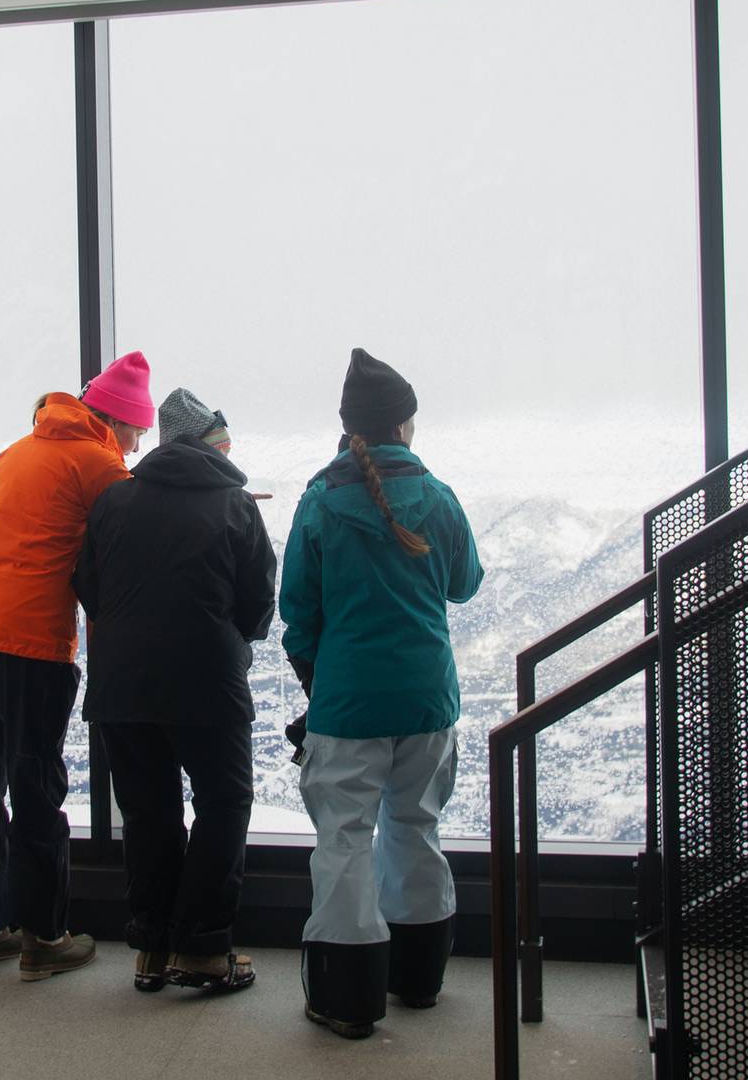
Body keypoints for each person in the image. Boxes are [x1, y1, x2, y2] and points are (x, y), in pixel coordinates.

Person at [280, 348, 484, 1038]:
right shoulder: (438, 497)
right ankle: (419, 977)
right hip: (427, 699)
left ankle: (348, 998)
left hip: (349, 704)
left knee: (343, 839)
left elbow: (297, 611)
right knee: (415, 827)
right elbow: (464, 583)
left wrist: (319, 678)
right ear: (404, 425)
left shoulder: (319, 503)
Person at [0, 350, 154, 981]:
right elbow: (144, 530)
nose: (138, 446)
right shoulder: (99, 464)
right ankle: (44, 936)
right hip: (29, 640)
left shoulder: (15, 451)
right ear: (114, 422)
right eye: (138, 432)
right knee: (35, 783)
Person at [74, 388, 276, 994]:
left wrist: (128, 639)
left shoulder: (114, 499)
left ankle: (152, 949)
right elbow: (259, 603)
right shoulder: (235, 505)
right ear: (212, 445)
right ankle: (204, 950)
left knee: (148, 814)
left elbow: (87, 583)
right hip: (207, 684)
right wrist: (227, 643)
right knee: (223, 803)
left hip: (122, 687)